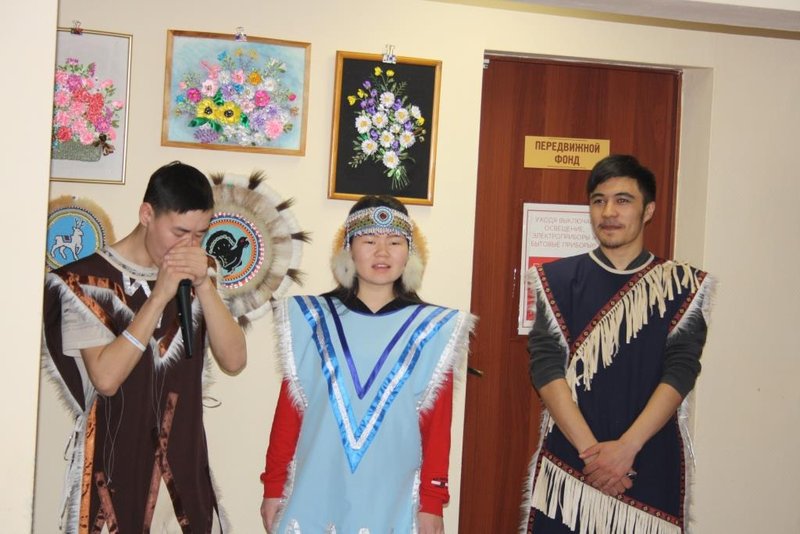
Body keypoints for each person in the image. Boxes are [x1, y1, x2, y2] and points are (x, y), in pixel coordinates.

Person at [41, 161, 247, 533]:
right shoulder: (84, 281)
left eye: (200, 234)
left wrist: (204, 285)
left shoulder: (202, 275)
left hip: (184, 474)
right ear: (147, 214)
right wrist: (158, 297)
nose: (190, 245)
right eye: (180, 232)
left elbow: (234, 360)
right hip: (112, 475)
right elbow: (106, 379)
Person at [259, 195, 476, 534]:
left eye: (395, 242)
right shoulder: (311, 319)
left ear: (411, 253)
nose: (382, 252)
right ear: (348, 249)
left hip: (394, 498)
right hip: (316, 491)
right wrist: (274, 485)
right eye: (369, 241)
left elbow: (437, 428)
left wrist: (432, 502)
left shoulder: (434, 329)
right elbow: (290, 412)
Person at [522, 155, 715, 534]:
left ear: (648, 210)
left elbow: (681, 370)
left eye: (623, 200)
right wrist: (593, 456)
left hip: (648, 457)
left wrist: (627, 448)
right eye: (599, 200)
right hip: (572, 461)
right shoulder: (556, 280)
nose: (608, 212)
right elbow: (545, 367)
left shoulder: (683, 286)